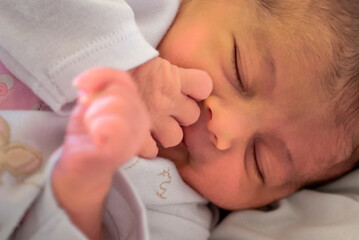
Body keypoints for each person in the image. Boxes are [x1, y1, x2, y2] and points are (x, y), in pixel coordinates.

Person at [1, 0, 359, 239]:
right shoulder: (142, 10)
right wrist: (126, 60)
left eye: (260, 161)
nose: (224, 129)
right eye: (239, 70)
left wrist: (81, 197)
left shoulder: (178, 214)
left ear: (266, 201)